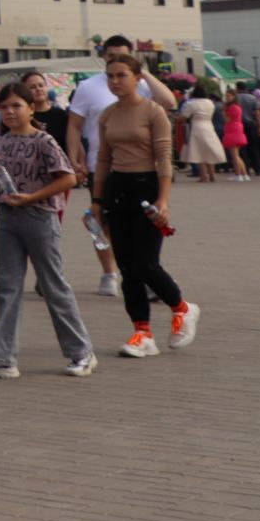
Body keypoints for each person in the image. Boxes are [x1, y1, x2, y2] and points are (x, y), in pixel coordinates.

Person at [0, 82, 95, 380]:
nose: (10, 112)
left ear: (31, 108)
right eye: (4, 107)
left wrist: (32, 197)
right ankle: (1, 359)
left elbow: (67, 180)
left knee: (54, 286)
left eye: (16, 106)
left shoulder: (44, 141)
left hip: (40, 219)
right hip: (8, 219)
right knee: (8, 288)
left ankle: (81, 352)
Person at [93, 53, 196, 359]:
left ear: (138, 78)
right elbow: (102, 160)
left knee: (145, 262)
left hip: (148, 188)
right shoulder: (107, 115)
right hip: (117, 189)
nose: (114, 81)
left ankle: (182, 307)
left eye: (121, 75)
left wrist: (163, 200)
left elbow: (164, 158)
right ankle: (142, 332)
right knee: (127, 266)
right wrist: (97, 201)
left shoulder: (154, 112)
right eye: (110, 76)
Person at [68, 35, 176, 298]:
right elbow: (74, 124)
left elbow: (170, 103)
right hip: (101, 165)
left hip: (142, 171)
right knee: (101, 223)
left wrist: (145, 75)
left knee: (144, 228)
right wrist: (74, 157)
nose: (115, 74)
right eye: (110, 56)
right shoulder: (89, 86)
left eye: (122, 56)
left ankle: (148, 273)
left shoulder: (142, 86)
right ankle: (109, 272)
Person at [24, 71, 73, 160]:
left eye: (41, 85)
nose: (38, 89)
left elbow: (71, 141)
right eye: (32, 87)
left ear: (47, 87)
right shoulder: (23, 117)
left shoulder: (60, 115)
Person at [179, 90, 223, 183]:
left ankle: (204, 176)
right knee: (209, 150)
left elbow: (184, 116)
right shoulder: (210, 103)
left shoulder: (191, 103)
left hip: (197, 127)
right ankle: (212, 174)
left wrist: (180, 119)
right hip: (209, 126)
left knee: (199, 152)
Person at [221, 91, 250, 181]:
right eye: (226, 96)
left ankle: (238, 174)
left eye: (229, 95)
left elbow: (227, 120)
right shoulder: (237, 107)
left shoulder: (232, 108)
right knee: (237, 155)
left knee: (234, 155)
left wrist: (224, 112)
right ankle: (244, 174)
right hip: (237, 129)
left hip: (232, 130)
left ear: (234, 96)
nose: (227, 97)